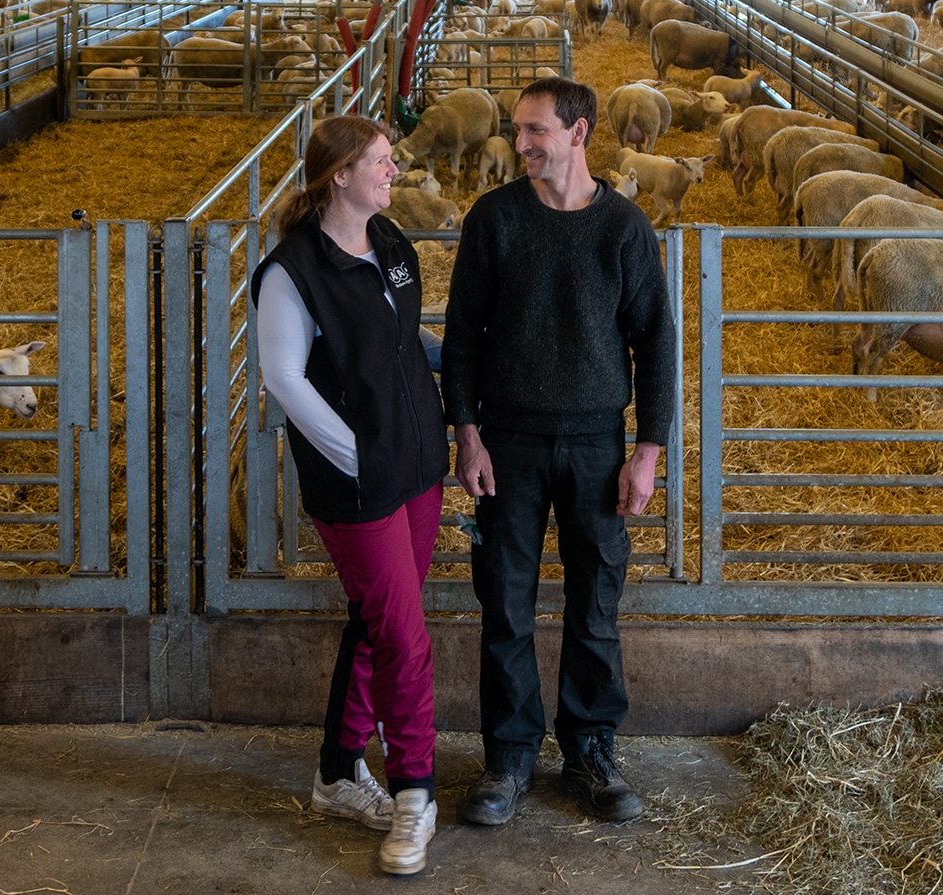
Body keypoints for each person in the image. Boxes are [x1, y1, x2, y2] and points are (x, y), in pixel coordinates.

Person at [442, 76, 677, 826]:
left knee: (596, 599)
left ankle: (590, 748)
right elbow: (463, 333)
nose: (521, 143)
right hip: (506, 440)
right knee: (504, 599)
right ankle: (509, 756)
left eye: (536, 130)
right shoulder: (494, 219)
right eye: (517, 130)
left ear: (579, 133)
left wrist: (648, 449)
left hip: (595, 441)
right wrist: (467, 431)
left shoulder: (623, 228)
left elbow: (656, 341)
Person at [254, 114, 450, 877]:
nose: (392, 171)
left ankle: (339, 771)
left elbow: (405, 342)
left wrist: (461, 364)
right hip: (360, 482)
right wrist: (357, 456)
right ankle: (415, 791)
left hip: (417, 466)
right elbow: (284, 380)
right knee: (404, 633)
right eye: (379, 161)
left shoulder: (393, 245)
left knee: (378, 622)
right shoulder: (292, 272)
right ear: (339, 174)